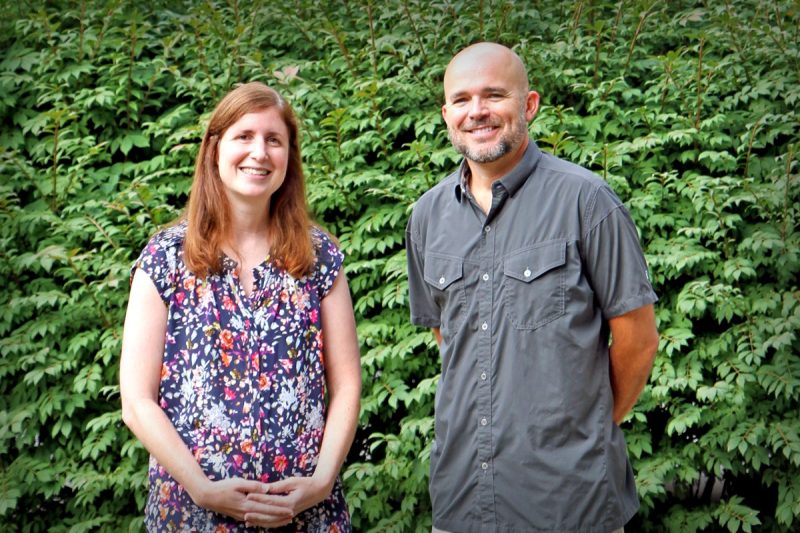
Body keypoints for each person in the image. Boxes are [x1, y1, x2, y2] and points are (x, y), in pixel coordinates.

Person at [405, 42, 660, 532]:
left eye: (494, 95)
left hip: (570, 502)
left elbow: (638, 339)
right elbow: (449, 338)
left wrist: (583, 428)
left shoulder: (588, 201)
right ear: (445, 114)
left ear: (530, 105)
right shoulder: (426, 216)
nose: (476, 112)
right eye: (461, 100)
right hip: (461, 499)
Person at [120, 82, 361, 532]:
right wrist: (202, 488)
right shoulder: (166, 257)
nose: (260, 152)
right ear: (214, 149)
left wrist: (322, 481)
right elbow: (136, 401)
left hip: (306, 515)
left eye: (274, 140)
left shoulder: (319, 257)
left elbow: (346, 385)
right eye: (244, 136)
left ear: (289, 157)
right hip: (192, 515)